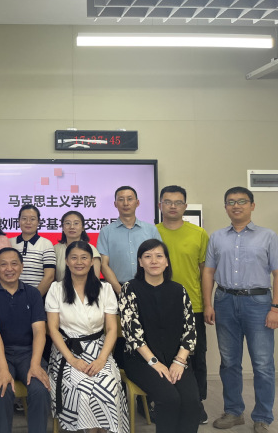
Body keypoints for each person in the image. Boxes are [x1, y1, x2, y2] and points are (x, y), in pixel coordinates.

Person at [203, 187, 278, 433]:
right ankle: (233, 411)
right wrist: (208, 304)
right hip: (225, 301)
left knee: (262, 363)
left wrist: (276, 308)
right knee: (229, 362)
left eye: (242, 201)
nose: (236, 206)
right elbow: (208, 272)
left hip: (258, 303)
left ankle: (262, 416)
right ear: (225, 207)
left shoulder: (268, 236)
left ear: (252, 205)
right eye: (231, 202)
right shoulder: (217, 237)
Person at [119, 239, 200, 433]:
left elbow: (190, 330)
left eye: (159, 256)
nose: (153, 261)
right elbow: (133, 334)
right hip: (141, 359)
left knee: (192, 402)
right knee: (169, 399)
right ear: (140, 262)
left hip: (176, 359)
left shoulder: (179, 290)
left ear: (166, 261)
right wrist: (154, 362)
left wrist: (179, 361)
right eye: (147, 256)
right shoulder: (129, 289)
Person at [46, 241, 128, 433]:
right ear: (66, 261)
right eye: (74, 258)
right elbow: (53, 329)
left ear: (92, 261)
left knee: (108, 386)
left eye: (84, 258)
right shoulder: (56, 289)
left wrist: (101, 359)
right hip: (66, 351)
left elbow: (111, 329)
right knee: (83, 388)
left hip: (100, 350)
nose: (79, 262)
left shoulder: (105, 289)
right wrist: (72, 360)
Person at [0, 247, 51, 433]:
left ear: (22, 266)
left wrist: (35, 364)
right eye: (3, 264)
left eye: (14, 264)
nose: (9, 269)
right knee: (2, 389)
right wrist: (2, 369)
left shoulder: (33, 294)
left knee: (40, 389)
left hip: (28, 352)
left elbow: (39, 331)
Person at [156, 185, 209, 423]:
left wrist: (207, 304)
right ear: (160, 205)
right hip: (159, 307)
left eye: (178, 202)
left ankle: (197, 404)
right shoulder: (152, 232)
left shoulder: (199, 234)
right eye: (168, 202)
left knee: (196, 357)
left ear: (185, 206)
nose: (173, 206)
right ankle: (162, 402)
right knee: (162, 355)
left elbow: (206, 272)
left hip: (193, 305)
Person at [97, 186, 162, 295]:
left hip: (149, 288)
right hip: (117, 289)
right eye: (121, 199)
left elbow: (160, 259)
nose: (126, 203)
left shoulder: (151, 230)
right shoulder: (106, 231)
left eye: (130, 199)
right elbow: (103, 264)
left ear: (137, 203)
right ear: (115, 204)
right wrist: (120, 291)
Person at [12, 204, 56, 297]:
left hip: (37, 297)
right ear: (18, 221)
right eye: (24, 218)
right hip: (10, 297)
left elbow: (49, 276)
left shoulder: (46, 244)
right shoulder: (9, 243)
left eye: (32, 219)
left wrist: (34, 298)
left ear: (38, 222)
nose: (28, 222)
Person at [54, 211, 101, 281]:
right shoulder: (55, 249)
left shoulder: (91, 249)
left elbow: (95, 280)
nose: (72, 227)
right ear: (62, 227)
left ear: (83, 228)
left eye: (76, 223)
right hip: (59, 287)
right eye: (67, 223)